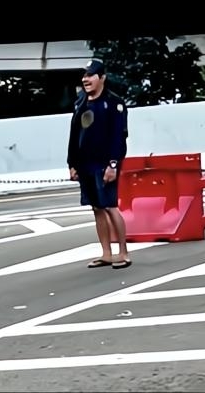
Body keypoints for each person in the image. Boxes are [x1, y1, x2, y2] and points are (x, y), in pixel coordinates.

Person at [68, 59, 131, 269]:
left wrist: (113, 164)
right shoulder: (80, 102)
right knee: (96, 208)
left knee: (110, 206)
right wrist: (72, 163)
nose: (86, 79)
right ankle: (106, 253)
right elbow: (74, 134)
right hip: (85, 163)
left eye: (90, 75)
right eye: (84, 76)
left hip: (105, 163)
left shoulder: (114, 103)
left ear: (102, 77)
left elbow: (118, 137)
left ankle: (123, 253)